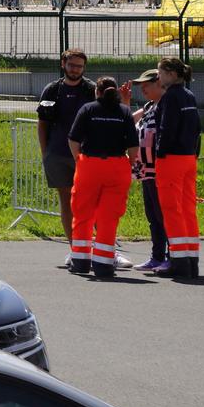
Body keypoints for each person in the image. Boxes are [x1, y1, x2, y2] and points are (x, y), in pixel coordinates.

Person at [66, 75, 136, 278]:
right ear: (116, 92)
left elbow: (73, 139)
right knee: (109, 217)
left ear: (96, 91)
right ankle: (103, 263)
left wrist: (79, 159)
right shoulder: (124, 112)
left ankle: (80, 261)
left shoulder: (88, 109)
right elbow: (133, 146)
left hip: (89, 165)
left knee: (82, 213)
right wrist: (129, 164)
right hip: (117, 166)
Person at [38, 48, 96, 260]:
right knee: (67, 202)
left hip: (87, 156)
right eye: (71, 65)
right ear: (63, 64)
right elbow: (42, 124)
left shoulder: (92, 89)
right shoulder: (52, 90)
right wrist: (46, 153)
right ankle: (76, 250)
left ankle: (101, 248)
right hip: (58, 154)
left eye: (79, 66)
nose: (75, 70)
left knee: (93, 202)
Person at [153, 55, 203, 278]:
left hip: (171, 158)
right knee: (188, 209)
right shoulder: (189, 96)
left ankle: (179, 261)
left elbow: (166, 128)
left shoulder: (170, 97)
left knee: (171, 210)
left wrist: (159, 154)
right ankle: (191, 259)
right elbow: (197, 128)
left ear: (171, 74)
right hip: (189, 157)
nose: (158, 76)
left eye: (161, 72)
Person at [130, 67, 168, 271]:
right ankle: (157, 256)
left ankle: (171, 256)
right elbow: (129, 121)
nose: (143, 88)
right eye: (141, 85)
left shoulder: (165, 106)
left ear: (159, 83)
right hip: (146, 171)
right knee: (152, 216)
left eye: (147, 84)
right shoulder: (149, 106)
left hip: (160, 170)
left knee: (164, 215)